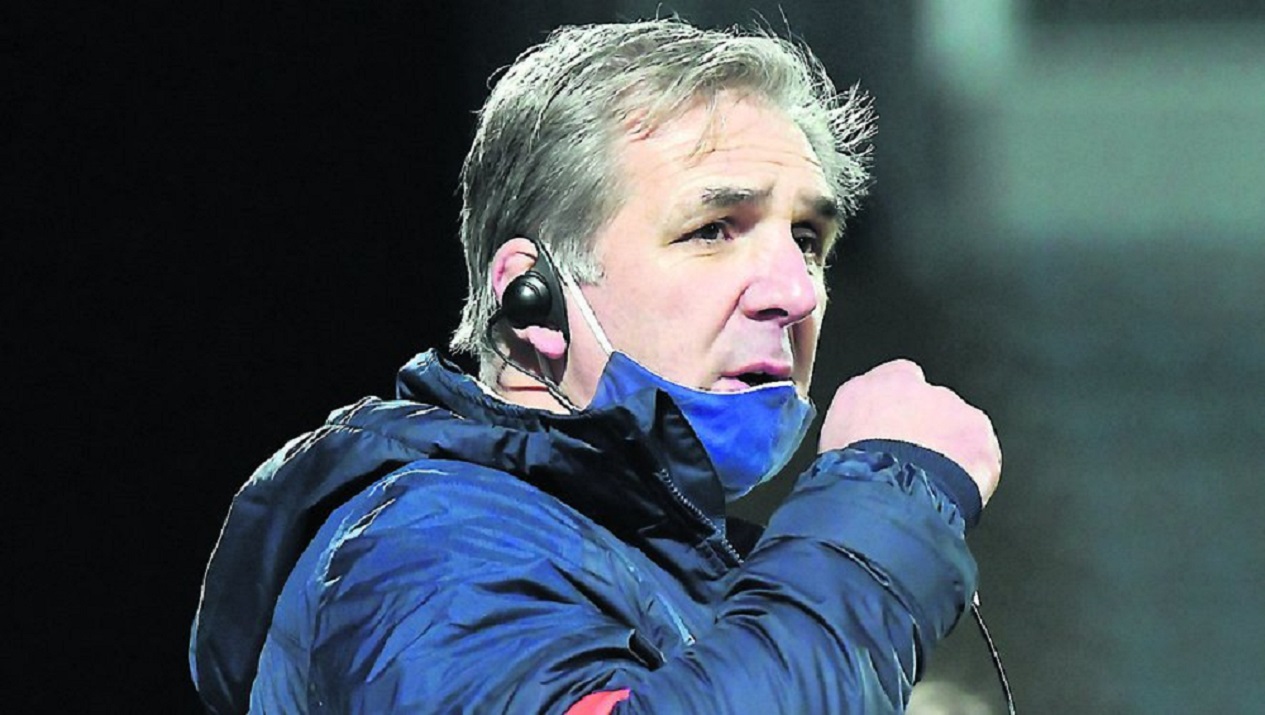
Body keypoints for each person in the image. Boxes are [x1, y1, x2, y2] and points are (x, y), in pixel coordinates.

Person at [190, 18, 1002, 714]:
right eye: (713, 229)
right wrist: (883, 507)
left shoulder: (675, 573)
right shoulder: (427, 546)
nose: (794, 292)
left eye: (807, 240)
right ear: (531, 300)